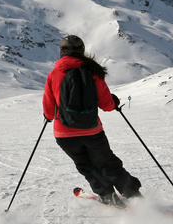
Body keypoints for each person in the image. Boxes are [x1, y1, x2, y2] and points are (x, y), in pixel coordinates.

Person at [42, 35, 142, 208]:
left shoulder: (53, 75)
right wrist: (114, 102)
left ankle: (106, 195)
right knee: (108, 163)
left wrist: (49, 116)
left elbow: (49, 110)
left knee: (86, 166)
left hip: (64, 134)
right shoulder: (93, 72)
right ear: (82, 51)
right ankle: (132, 194)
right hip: (92, 131)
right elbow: (107, 105)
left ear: (61, 53)